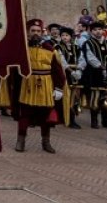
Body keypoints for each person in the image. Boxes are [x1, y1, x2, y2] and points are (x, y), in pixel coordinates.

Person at [10, 18, 66, 154]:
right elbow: (14, 69)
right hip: (27, 84)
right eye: (33, 31)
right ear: (28, 32)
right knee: (24, 114)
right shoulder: (21, 48)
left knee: (45, 115)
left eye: (38, 31)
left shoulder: (50, 49)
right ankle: (21, 140)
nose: (36, 33)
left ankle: (46, 141)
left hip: (46, 85)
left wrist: (58, 88)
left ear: (42, 32)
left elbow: (57, 70)